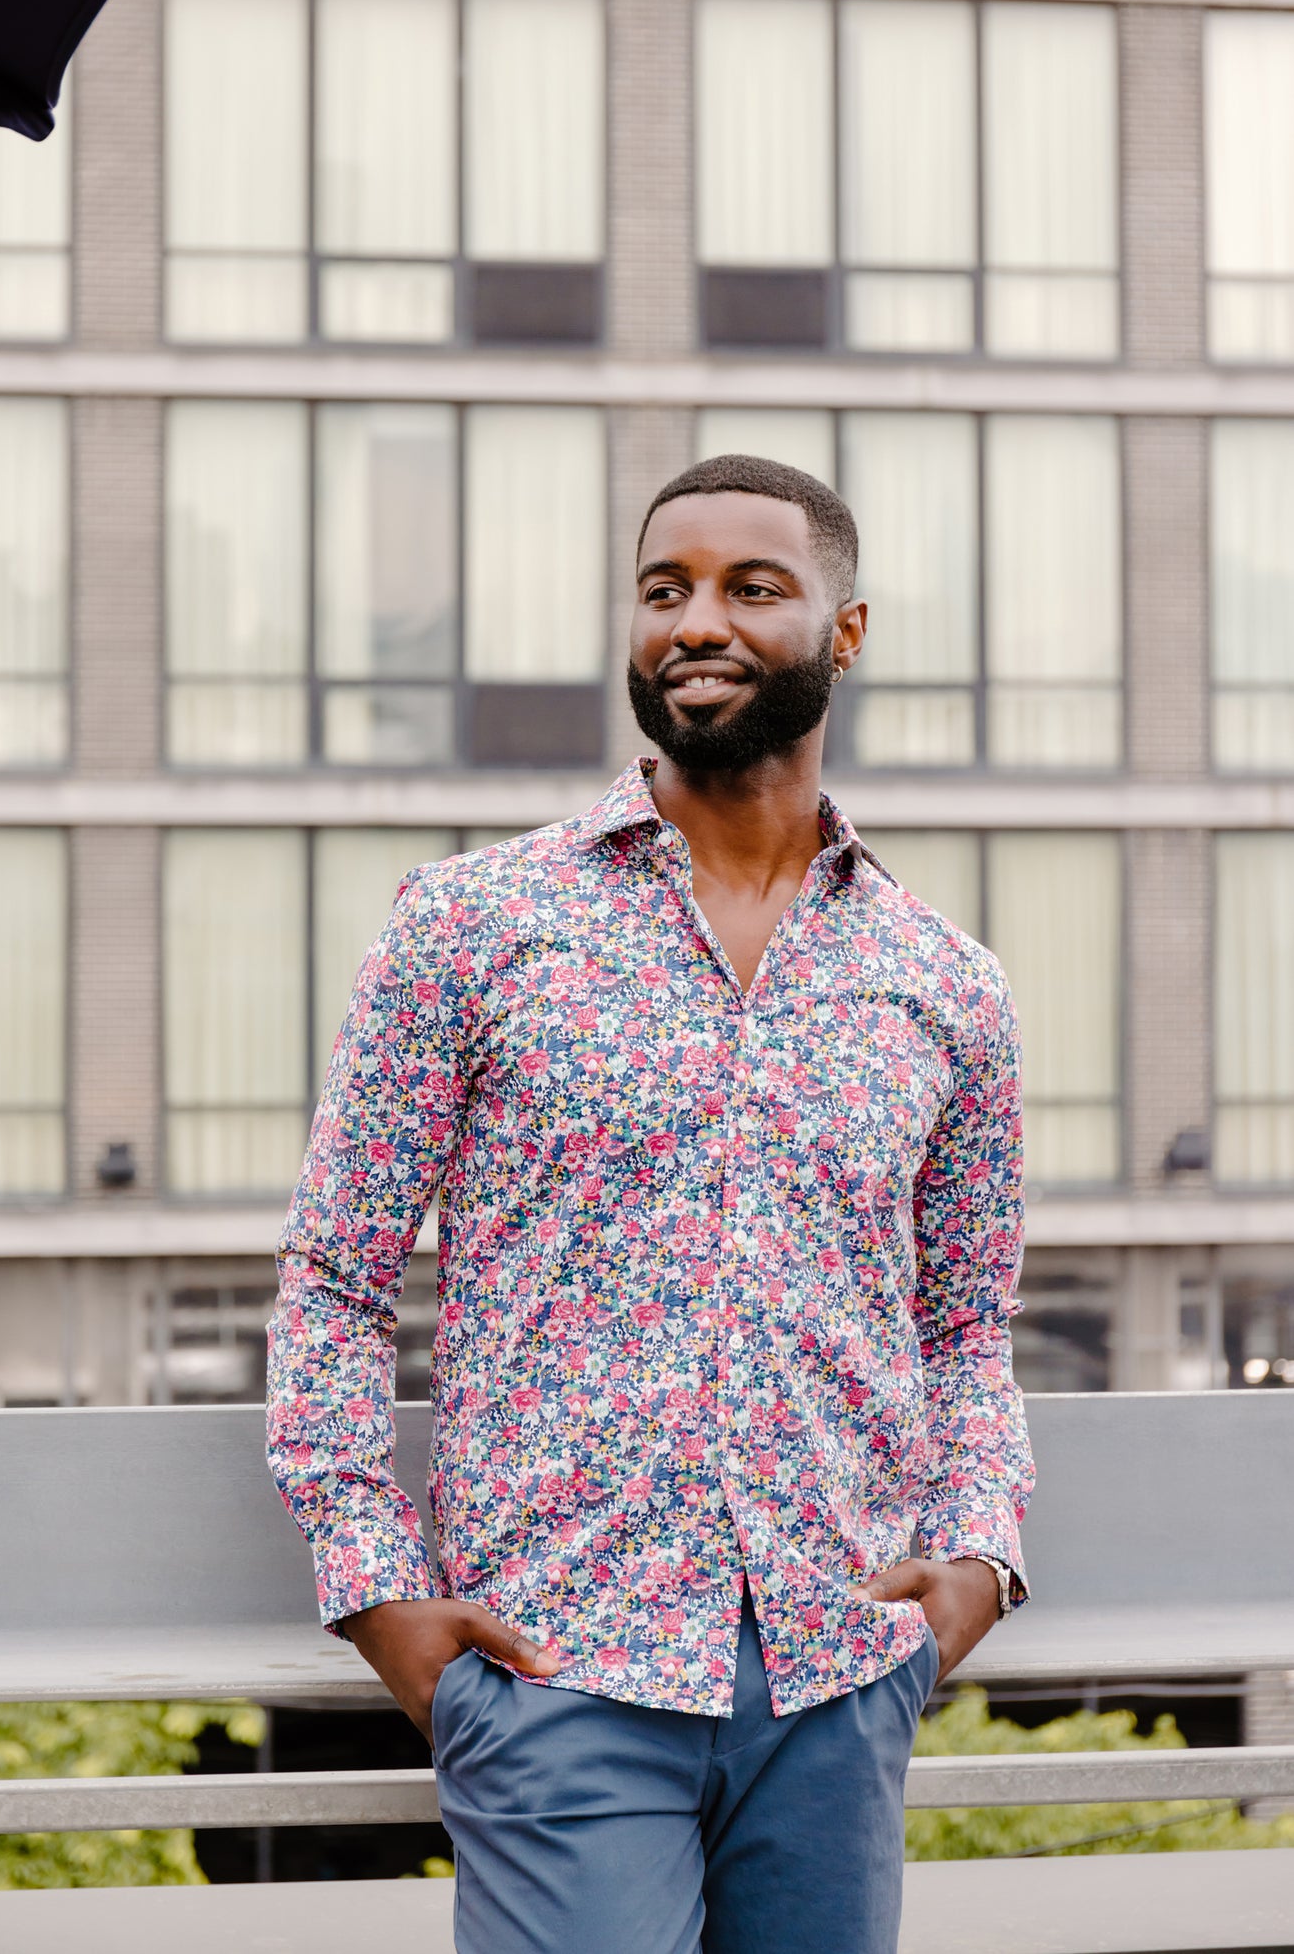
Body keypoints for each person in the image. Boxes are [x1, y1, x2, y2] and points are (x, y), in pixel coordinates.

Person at [267, 452, 1034, 1954]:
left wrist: (973, 1570)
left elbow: (962, 1322)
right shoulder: (471, 929)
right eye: (663, 588)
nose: (698, 619)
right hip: (558, 1668)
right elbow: (338, 1281)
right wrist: (381, 1601)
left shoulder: (948, 986)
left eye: (752, 587)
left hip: (836, 1671)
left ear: (844, 629)